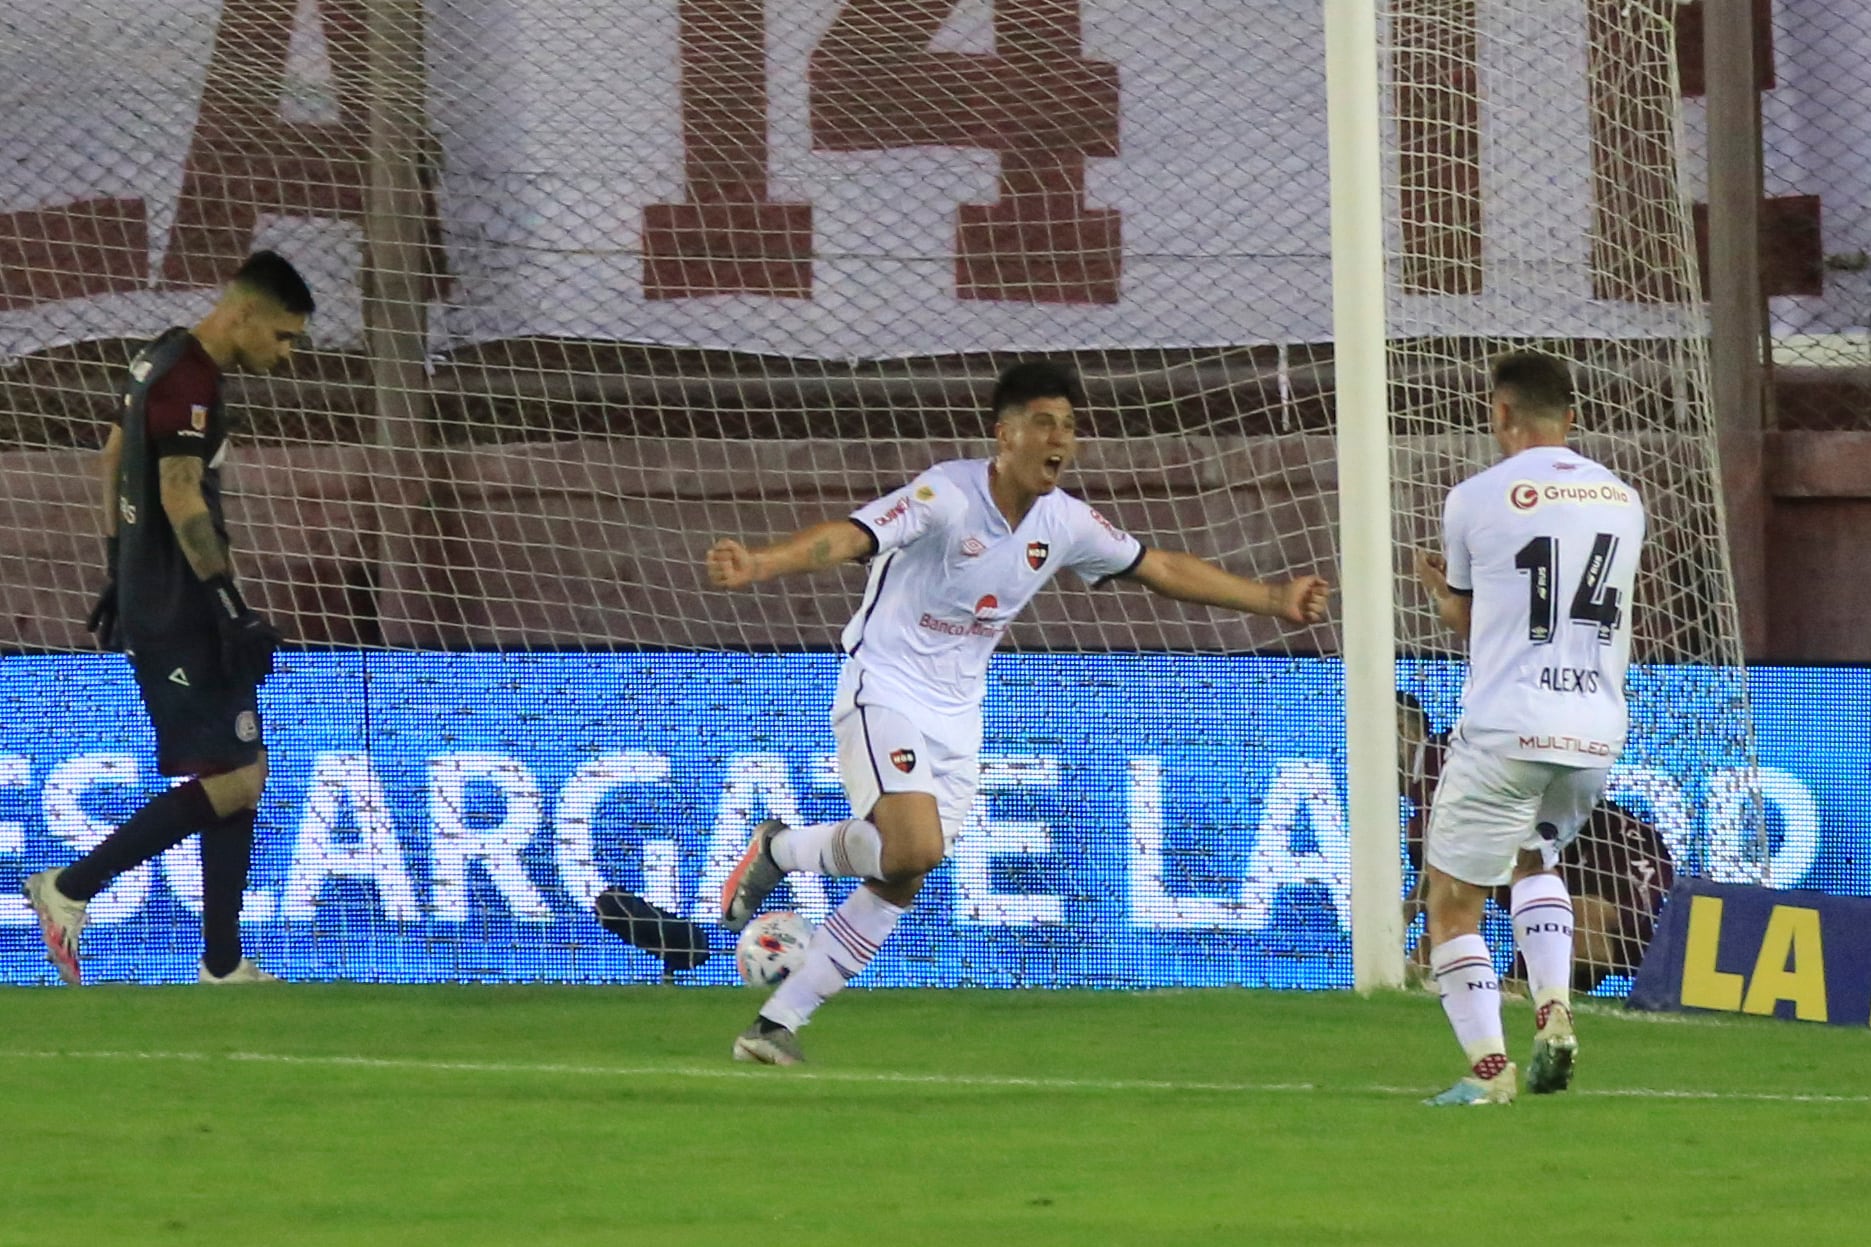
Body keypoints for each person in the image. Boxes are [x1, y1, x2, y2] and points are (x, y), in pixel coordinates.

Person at [705, 360, 1331, 1065]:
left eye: (1069, 426)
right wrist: (761, 563)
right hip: (885, 688)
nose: (1060, 439)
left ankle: (775, 1023)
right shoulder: (945, 495)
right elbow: (851, 535)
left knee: (903, 875)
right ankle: (782, 849)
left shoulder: (1064, 521)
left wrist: (1272, 599)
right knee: (914, 847)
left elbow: (1158, 568)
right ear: (1004, 436)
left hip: (957, 715)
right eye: (1043, 423)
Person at [24, 251, 313, 986]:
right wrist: (229, 605)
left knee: (236, 766)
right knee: (241, 777)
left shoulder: (159, 355)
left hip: (156, 593)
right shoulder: (191, 379)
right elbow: (180, 493)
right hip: (184, 604)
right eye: (283, 335)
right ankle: (71, 886)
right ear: (243, 313)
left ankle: (223, 961)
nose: (286, 353)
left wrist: (118, 568)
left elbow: (112, 456)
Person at [1413, 349, 1647, 1106]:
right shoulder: (1623, 500)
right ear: (1571, 418)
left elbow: (1469, 619)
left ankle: (1488, 1073)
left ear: (1501, 411)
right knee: (1535, 857)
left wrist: (1438, 596)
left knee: (1452, 897)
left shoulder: (1473, 498)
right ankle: (1554, 1007)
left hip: (1507, 725)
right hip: (1593, 731)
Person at [1397, 691, 1675, 992]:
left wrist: (1413, 950)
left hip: (1617, 850)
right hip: (1558, 863)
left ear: (1403, 729)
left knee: (1586, 934)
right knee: (1548, 951)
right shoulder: (1423, 801)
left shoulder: (1446, 760)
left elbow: (1459, 876)